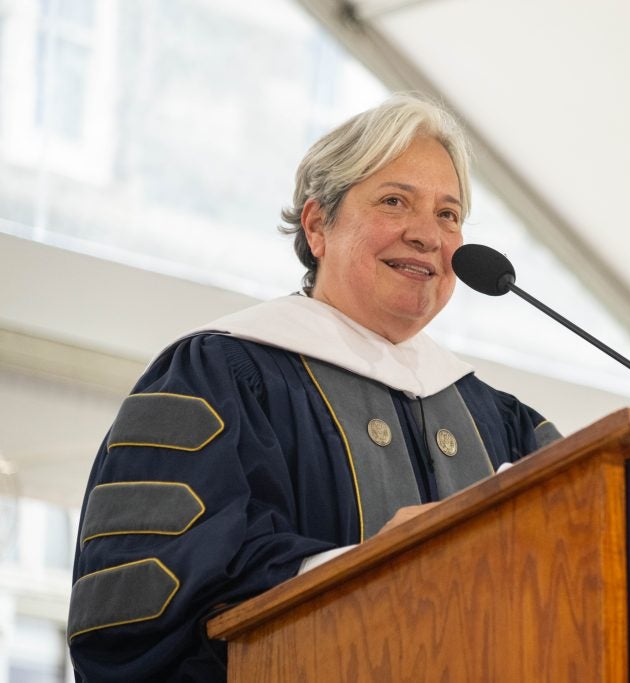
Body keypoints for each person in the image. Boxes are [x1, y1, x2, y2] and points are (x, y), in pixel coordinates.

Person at [67, 94, 560, 681]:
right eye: (394, 201)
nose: (428, 235)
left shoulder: (500, 423)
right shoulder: (220, 377)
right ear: (318, 225)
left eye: (449, 215)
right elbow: (148, 598)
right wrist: (371, 569)